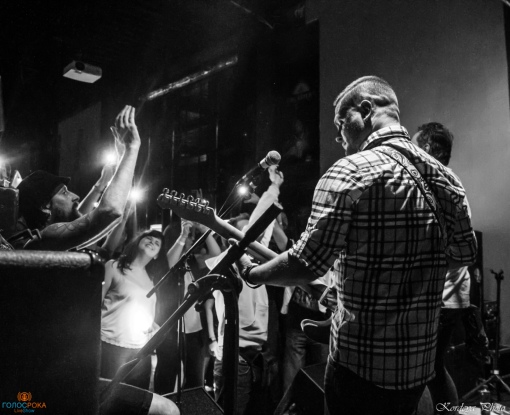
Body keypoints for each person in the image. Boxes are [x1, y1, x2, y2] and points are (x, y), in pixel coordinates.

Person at [237, 76, 478, 415]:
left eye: (341, 127)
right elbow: (464, 253)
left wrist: (253, 274)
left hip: (359, 372)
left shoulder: (349, 171)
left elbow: (306, 263)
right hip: (416, 371)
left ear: (365, 110)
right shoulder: (447, 179)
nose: (341, 140)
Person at [12, 105, 178, 415]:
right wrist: (132, 149)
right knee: (167, 410)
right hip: (55, 382)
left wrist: (105, 180)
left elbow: (83, 216)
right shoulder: (40, 241)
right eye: (65, 192)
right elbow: (106, 214)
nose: (75, 195)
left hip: (61, 372)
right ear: (46, 208)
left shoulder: (44, 242)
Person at [411, 122, 488, 414]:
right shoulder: (444, 183)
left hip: (442, 296)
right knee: (432, 367)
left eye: (415, 145)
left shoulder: (441, 185)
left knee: (426, 369)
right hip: (447, 295)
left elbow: (463, 250)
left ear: (428, 148)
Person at [101, 229, 166, 390]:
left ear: (157, 255)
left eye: (157, 243)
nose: (152, 242)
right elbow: (95, 303)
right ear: (137, 242)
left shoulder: (152, 279)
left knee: (136, 398)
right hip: (111, 346)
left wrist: (153, 326)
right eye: (148, 238)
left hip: (140, 351)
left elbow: (142, 310)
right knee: (108, 396)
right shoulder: (114, 266)